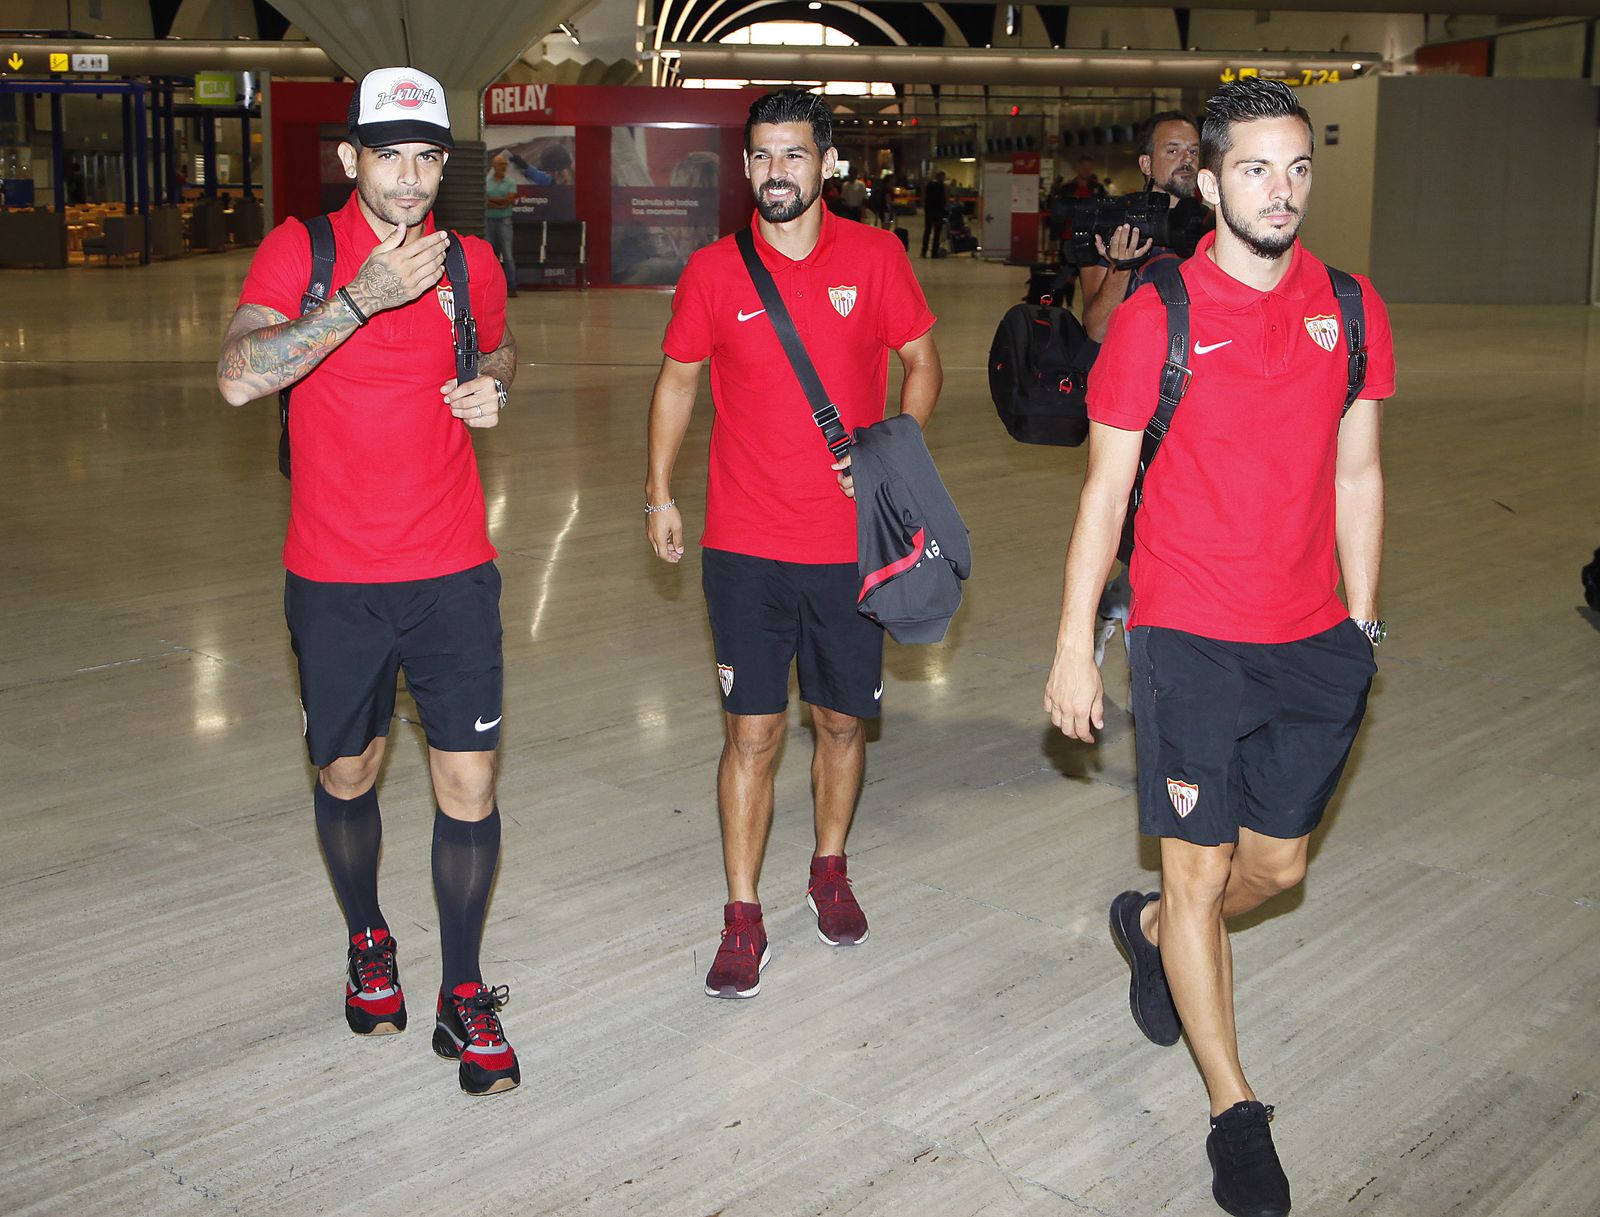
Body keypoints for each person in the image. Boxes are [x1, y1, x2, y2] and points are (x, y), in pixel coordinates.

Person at [1044, 77, 1395, 1217]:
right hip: (1186, 632)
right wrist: (1071, 648)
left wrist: (1364, 618)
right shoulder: (1157, 316)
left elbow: (1359, 472)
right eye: (1253, 169)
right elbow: (1103, 495)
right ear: (1205, 181)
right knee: (1196, 871)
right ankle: (1232, 1108)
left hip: (1311, 638)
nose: (1279, 190)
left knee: (1274, 869)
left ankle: (1146, 931)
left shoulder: (1349, 304)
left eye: (1296, 168)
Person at [216, 67, 523, 1097]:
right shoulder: (300, 250)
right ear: (352, 158)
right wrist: (357, 301)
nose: (408, 179)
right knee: (348, 773)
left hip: (452, 570)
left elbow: (504, 345)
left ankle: (464, 988)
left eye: (427, 157)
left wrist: (494, 383)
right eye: (388, 155)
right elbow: (237, 373)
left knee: (467, 782)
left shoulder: (471, 260)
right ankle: (367, 937)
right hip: (335, 575)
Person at [644, 89, 942, 1000]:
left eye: (795, 156)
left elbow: (923, 363)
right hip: (745, 546)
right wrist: (657, 491)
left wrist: (891, 456)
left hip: (851, 548)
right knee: (755, 733)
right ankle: (742, 915)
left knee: (842, 722)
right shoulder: (713, 271)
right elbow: (678, 385)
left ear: (827, 164)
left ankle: (829, 866)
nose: (778, 173)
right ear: (745, 166)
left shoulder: (879, 256)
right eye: (763, 157)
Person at [1075, 112, 1204, 656]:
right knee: (1134, 527)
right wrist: (1123, 265)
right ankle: (1130, 615)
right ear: (1148, 164)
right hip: (1133, 407)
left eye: (1196, 150)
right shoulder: (1109, 221)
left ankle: (1134, 609)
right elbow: (1098, 327)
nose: (1187, 159)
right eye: (1174, 150)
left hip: (1198, 400)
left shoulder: (1220, 226)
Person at [485, 152, 519, 297]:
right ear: (494, 165)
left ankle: (512, 287)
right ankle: (491, 287)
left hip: (505, 222)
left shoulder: (511, 182)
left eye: (505, 164)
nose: (503, 167)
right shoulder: (486, 181)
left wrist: (494, 201)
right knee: (490, 255)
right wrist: (501, 202)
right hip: (488, 221)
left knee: (508, 256)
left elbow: (509, 200)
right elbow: (485, 201)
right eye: (500, 164)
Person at [920, 169, 947, 257]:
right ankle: (934, 252)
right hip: (938, 211)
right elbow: (943, 199)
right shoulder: (941, 186)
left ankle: (923, 251)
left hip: (929, 211)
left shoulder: (929, 185)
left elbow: (925, 197)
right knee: (937, 232)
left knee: (927, 231)